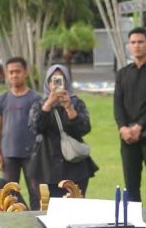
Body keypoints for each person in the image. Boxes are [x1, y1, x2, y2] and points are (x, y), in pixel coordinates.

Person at [113, 27, 146, 210]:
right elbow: (117, 104)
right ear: (129, 45)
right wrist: (123, 128)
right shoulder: (123, 73)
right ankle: (134, 219)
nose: (137, 46)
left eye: (140, 42)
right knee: (130, 182)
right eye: (133, 42)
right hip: (127, 136)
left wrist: (139, 126)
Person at [27, 64, 98, 198]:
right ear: (48, 83)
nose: (56, 84)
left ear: (67, 82)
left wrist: (69, 107)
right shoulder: (39, 104)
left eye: (61, 80)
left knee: (74, 206)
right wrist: (48, 104)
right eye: (53, 80)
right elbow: (35, 128)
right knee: (47, 206)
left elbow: (84, 128)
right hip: (46, 164)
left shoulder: (76, 102)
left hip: (74, 166)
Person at [0, 56, 42, 208]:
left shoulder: (35, 98)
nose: (14, 75)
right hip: (8, 154)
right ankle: (13, 220)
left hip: (32, 154)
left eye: (17, 71)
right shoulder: (2, 99)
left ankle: (36, 219)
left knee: (36, 192)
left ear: (26, 72)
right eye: (11, 72)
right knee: (9, 194)